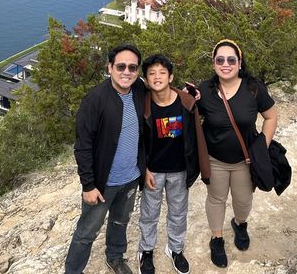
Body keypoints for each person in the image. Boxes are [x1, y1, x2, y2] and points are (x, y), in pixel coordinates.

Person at [64, 43, 146, 274]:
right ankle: (73, 271)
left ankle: (115, 258)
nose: (126, 72)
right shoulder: (95, 100)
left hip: (130, 178)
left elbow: (163, 95)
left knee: (120, 221)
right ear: (110, 67)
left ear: (138, 71)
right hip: (103, 183)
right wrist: (88, 185)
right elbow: (83, 146)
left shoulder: (139, 89)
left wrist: (189, 96)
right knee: (86, 232)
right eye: (121, 66)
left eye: (132, 67)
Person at [196, 39, 278, 268]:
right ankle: (217, 238)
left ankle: (239, 224)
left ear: (239, 63)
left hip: (245, 159)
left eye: (231, 59)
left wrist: (263, 143)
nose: (225, 64)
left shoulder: (254, 88)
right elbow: (191, 114)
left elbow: (271, 116)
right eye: (219, 59)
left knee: (243, 201)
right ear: (213, 63)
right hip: (215, 159)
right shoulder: (205, 90)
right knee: (216, 199)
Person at [137, 54, 209, 274]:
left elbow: (198, 132)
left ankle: (175, 249)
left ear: (171, 77)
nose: (157, 77)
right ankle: (146, 251)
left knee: (178, 213)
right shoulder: (143, 105)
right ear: (146, 80)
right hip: (154, 171)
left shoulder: (186, 103)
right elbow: (138, 140)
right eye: (152, 73)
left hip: (179, 169)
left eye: (162, 72)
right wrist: (144, 168)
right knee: (149, 213)